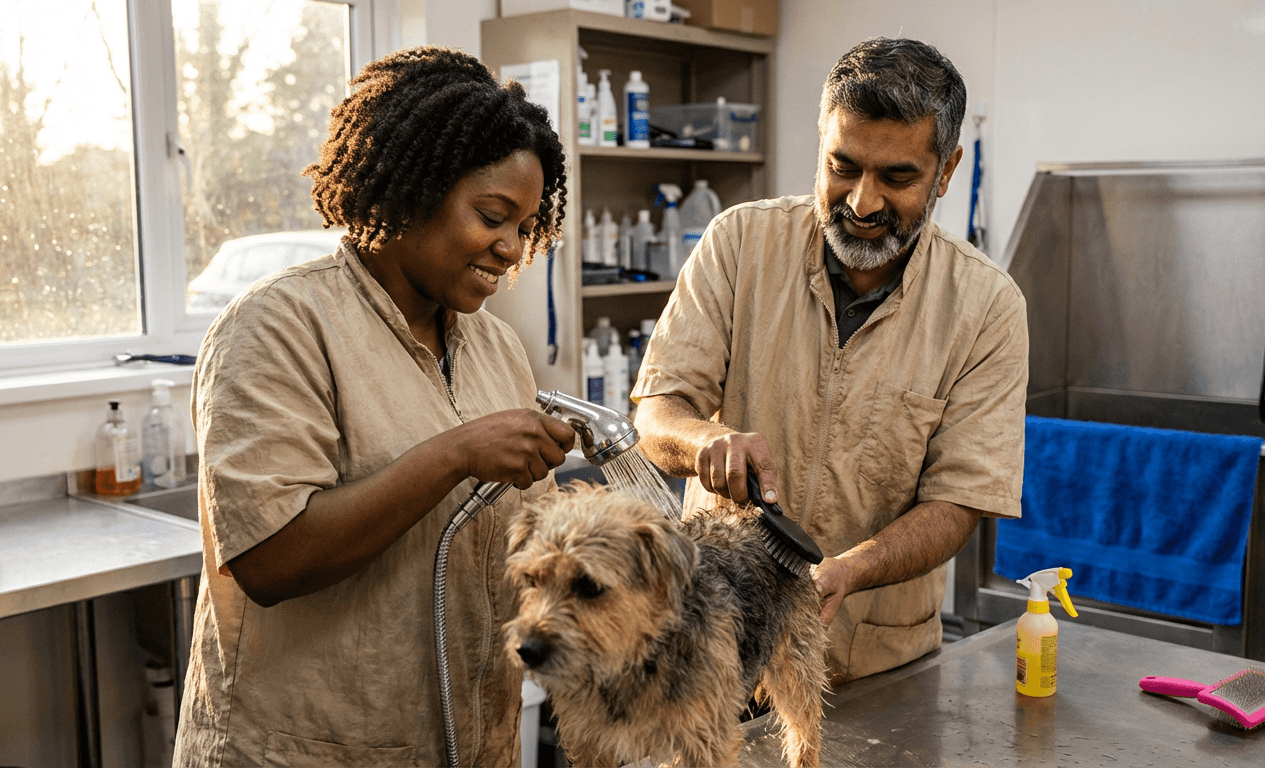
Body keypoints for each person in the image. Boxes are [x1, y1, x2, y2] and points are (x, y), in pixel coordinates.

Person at [173, 46, 576, 766]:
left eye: (524, 226)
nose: (512, 248)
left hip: (466, 740)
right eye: (492, 216)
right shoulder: (277, 328)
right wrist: (456, 453)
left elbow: (532, 539)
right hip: (310, 747)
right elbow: (269, 561)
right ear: (413, 189)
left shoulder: (495, 348)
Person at [632, 37, 1028, 684]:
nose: (862, 203)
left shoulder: (987, 307)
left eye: (897, 177)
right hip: (718, 639)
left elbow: (961, 501)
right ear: (821, 142)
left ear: (947, 170)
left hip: (873, 664)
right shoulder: (738, 244)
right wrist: (708, 440)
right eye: (842, 166)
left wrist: (854, 568)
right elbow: (658, 410)